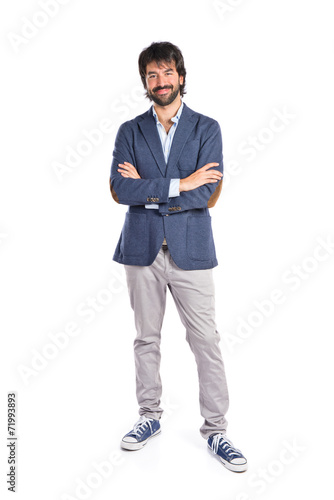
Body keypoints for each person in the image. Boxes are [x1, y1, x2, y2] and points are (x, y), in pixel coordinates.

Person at [109, 41, 247, 473]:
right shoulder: (130, 131)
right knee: (146, 339)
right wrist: (180, 183)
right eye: (151, 75)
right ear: (144, 83)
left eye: (167, 73)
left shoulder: (207, 128)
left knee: (205, 340)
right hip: (141, 250)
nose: (160, 81)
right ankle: (149, 417)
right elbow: (119, 190)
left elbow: (210, 192)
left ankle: (217, 429)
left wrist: (152, 188)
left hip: (192, 249)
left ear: (181, 77)